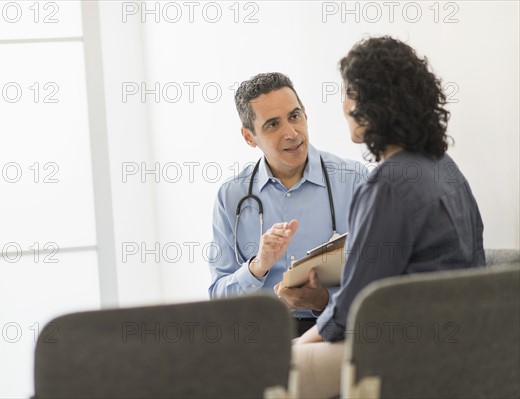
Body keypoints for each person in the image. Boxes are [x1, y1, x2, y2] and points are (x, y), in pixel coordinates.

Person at [293, 36, 485, 398]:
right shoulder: (447, 168)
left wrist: (302, 342)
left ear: (371, 106)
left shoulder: (389, 185)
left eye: (348, 94)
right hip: (462, 351)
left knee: (263, 371)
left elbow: (354, 309)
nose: (344, 106)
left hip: (402, 358)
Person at [207, 72, 365, 336]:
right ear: (249, 137)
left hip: (336, 329)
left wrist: (323, 300)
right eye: (272, 125)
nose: (291, 133)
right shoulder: (231, 197)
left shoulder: (355, 180)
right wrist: (257, 267)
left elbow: (378, 281)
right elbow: (219, 298)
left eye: (294, 116)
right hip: (261, 336)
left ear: (305, 114)